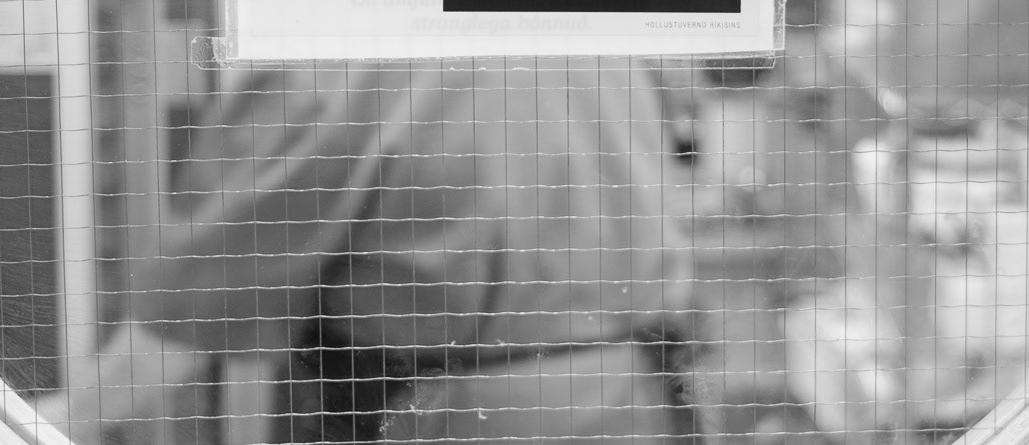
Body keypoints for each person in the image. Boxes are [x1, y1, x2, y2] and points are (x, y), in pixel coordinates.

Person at [43, 57, 710, 444]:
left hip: (460, 414)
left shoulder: (335, 56)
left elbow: (195, 310)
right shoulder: (584, 26)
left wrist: (53, 421)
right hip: (638, 399)